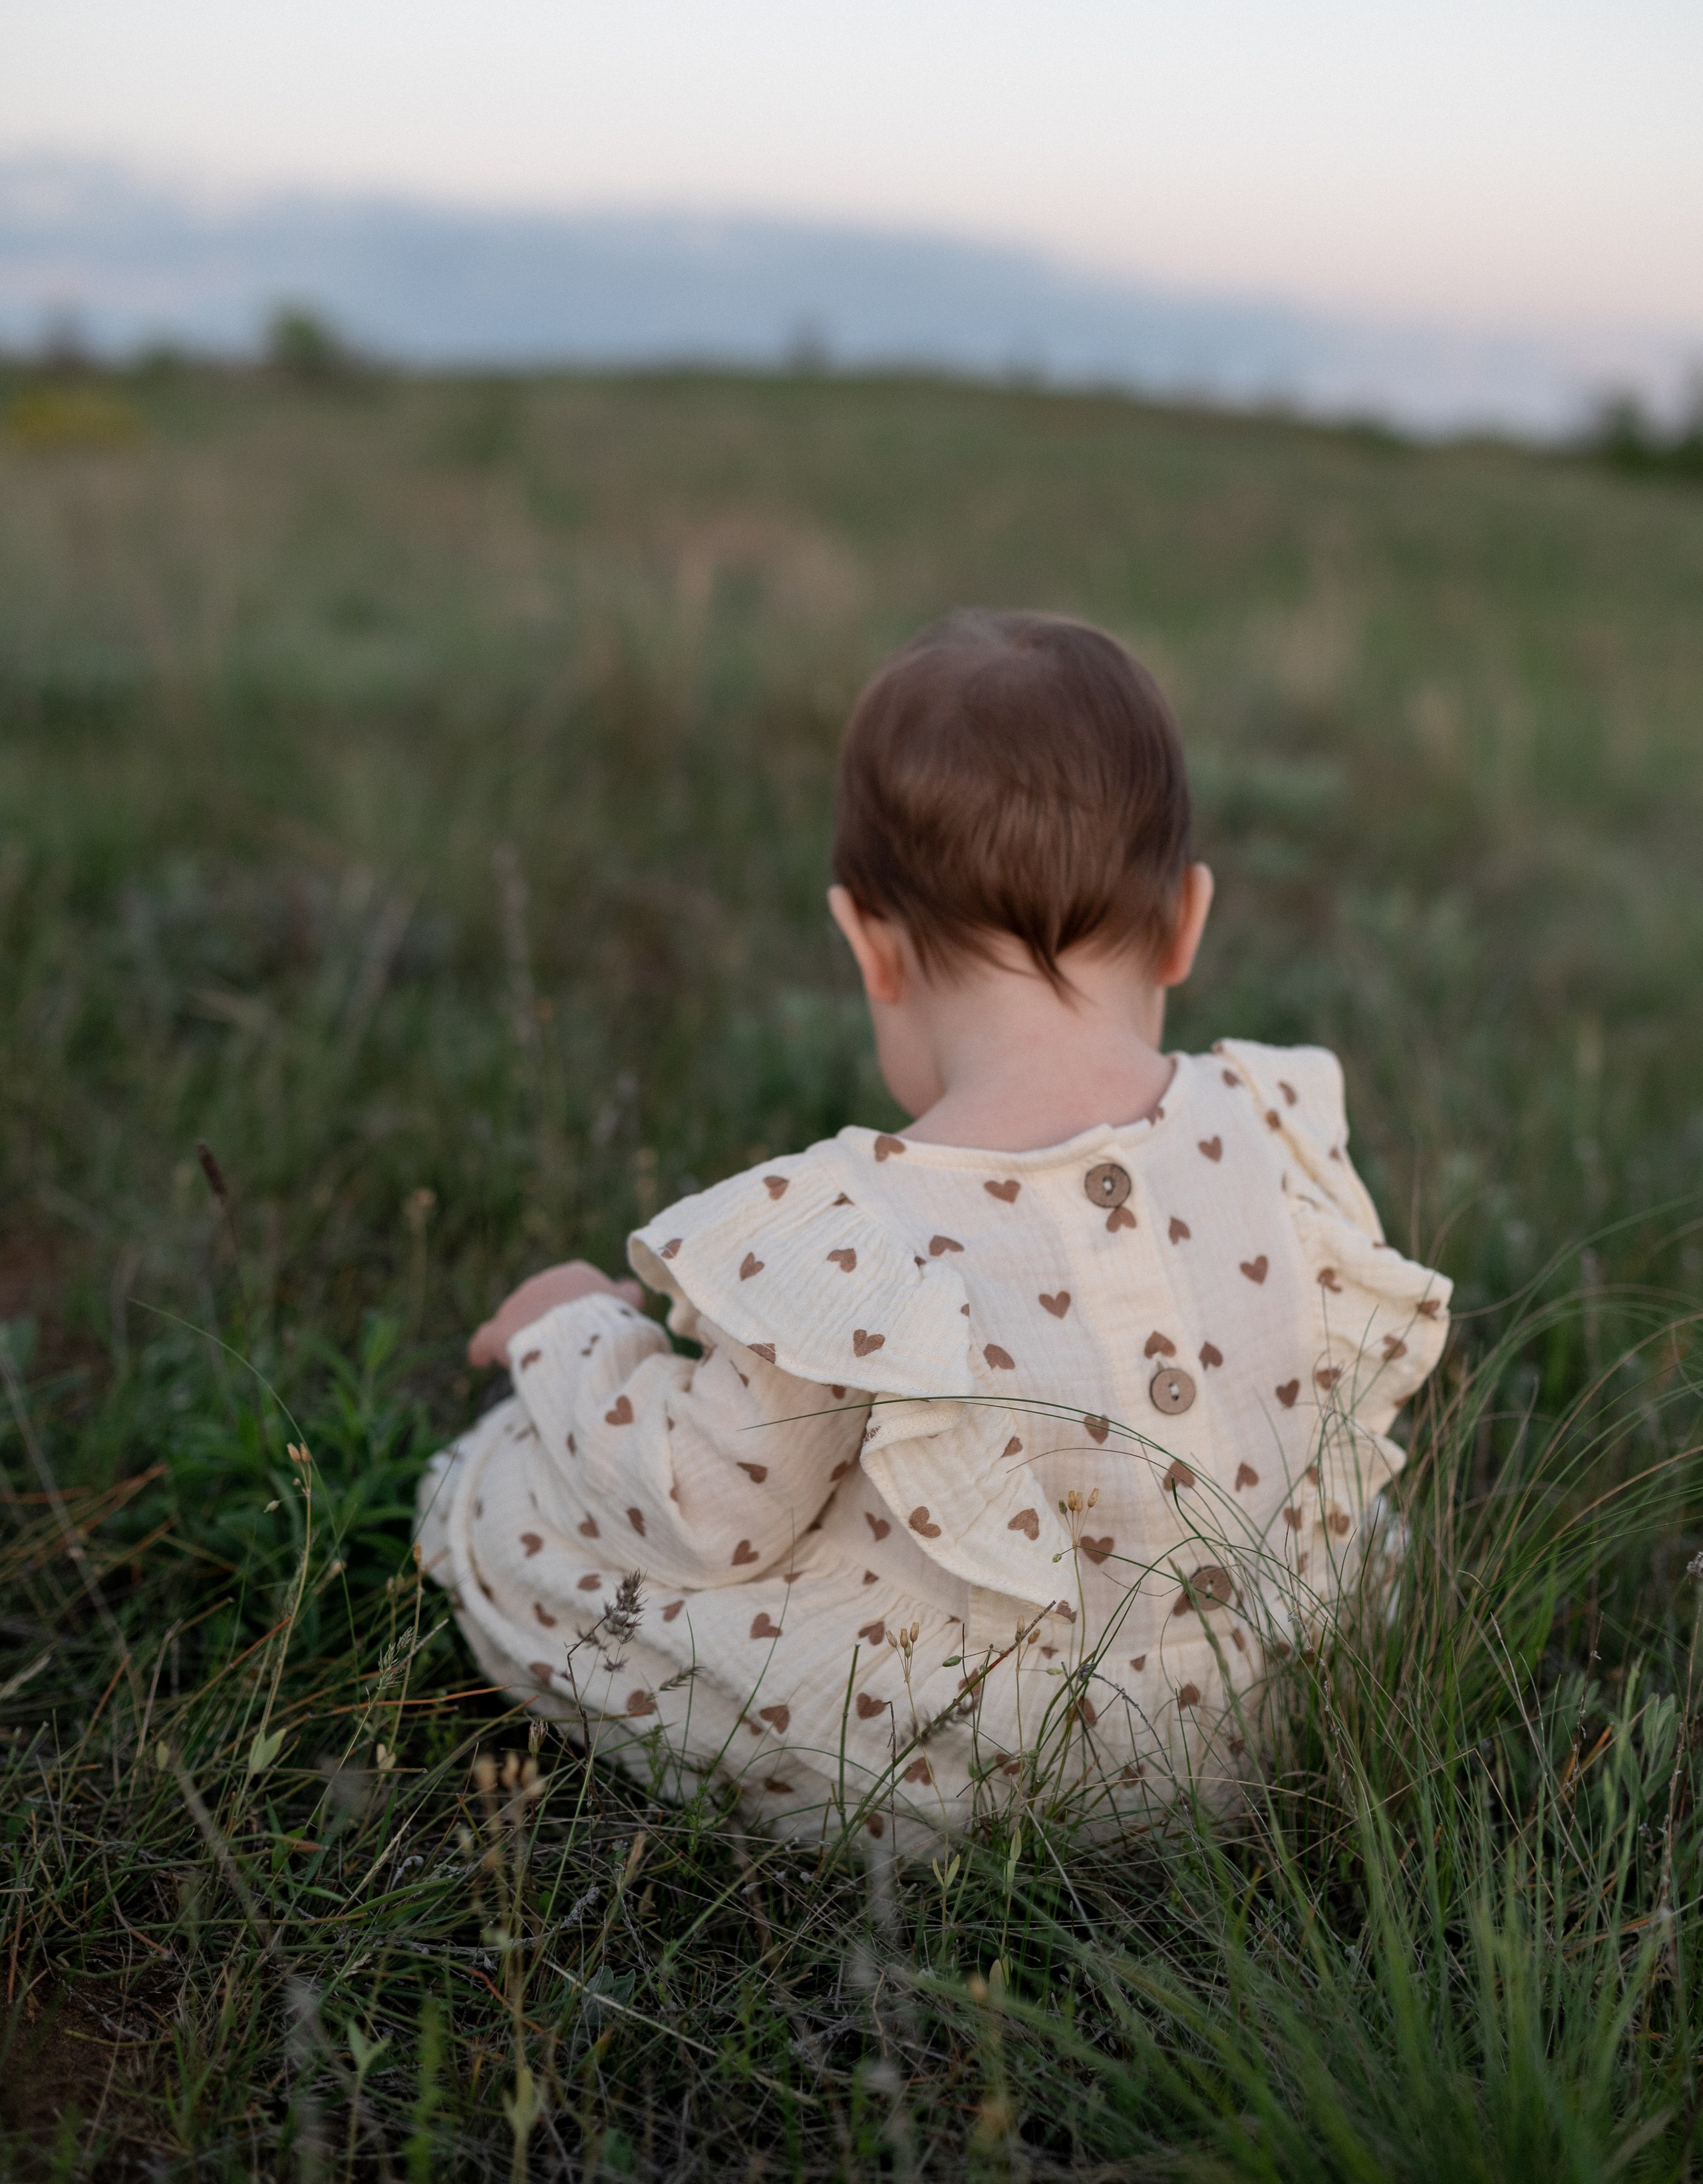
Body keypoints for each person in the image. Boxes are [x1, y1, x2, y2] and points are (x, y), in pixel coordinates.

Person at [416, 611, 1450, 1853]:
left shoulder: (859, 1232)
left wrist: (571, 1335)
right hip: (1283, 1705)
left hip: (1008, 1779)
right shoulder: (1281, 1121)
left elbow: (708, 1508)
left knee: (517, 1500)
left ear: (871, 948)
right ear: (1188, 921)